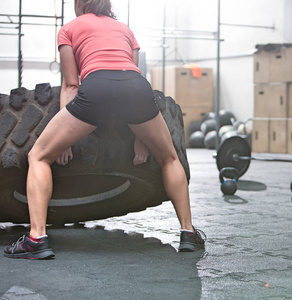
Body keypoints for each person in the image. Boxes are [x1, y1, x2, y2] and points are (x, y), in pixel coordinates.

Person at [4, 0, 205, 259]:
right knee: (169, 157)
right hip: (137, 89)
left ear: (79, 4)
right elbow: (130, 75)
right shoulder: (125, 29)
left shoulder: (69, 29)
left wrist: (66, 140)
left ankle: (36, 239)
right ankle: (188, 234)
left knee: (38, 156)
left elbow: (71, 85)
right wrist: (140, 137)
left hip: (96, 89)